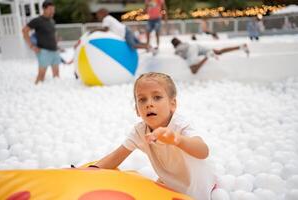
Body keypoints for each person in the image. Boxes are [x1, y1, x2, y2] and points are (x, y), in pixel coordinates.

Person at [78, 72, 216, 200]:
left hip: (198, 190)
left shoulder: (180, 125)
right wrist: (91, 171)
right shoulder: (140, 131)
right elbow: (117, 156)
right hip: (172, 187)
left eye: (157, 97)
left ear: (172, 104)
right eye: (142, 99)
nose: (149, 104)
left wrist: (177, 139)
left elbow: (203, 151)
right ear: (137, 110)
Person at [22, 1, 61, 84]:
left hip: (54, 50)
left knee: (56, 75)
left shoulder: (52, 21)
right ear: (44, 9)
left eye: (53, 9)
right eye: (50, 9)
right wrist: (31, 46)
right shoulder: (37, 20)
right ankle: (35, 94)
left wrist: (56, 42)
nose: (52, 11)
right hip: (43, 51)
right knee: (41, 76)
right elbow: (25, 30)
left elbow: (53, 33)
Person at [171, 37, 249, 74]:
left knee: (193, 71)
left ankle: (207, 56)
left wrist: (178, 53)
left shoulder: (177, 48)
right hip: (195, 46)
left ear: (174, 45)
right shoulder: (185, 43)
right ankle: (241, 47)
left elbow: (182, 55)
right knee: (218, 51)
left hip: (190, 50)